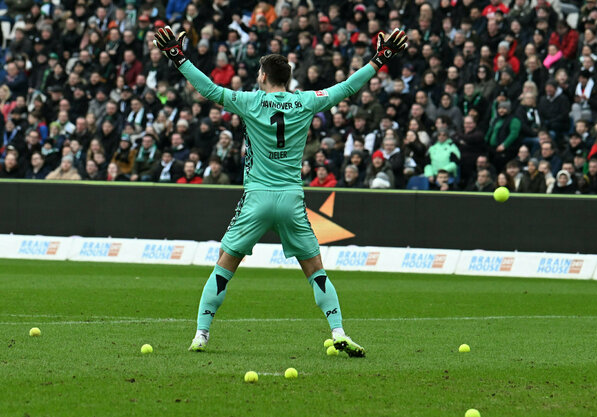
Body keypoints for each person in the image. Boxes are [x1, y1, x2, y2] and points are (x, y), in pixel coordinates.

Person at [153, 25, 407, 355]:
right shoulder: (305, 101)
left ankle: (201, 334)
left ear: (263, 76)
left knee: (224, 266)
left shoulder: (249, 101)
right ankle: (338, 329)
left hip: (257, 198)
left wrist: (177, 57)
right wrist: (380, 58)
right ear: (287, 78)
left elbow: (209, 90)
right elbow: (347, 87)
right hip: (291, 199)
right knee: (316, 270)